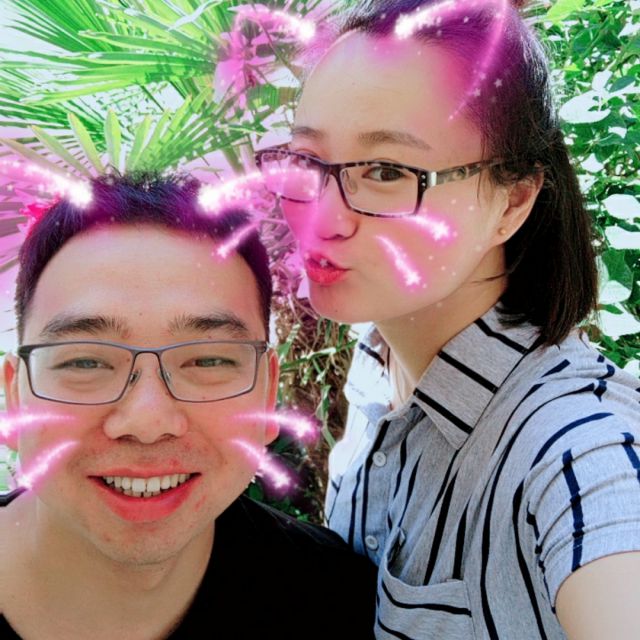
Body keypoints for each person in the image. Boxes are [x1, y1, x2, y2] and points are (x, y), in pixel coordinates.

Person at [254, 0, 640, 638]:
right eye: (307, 160)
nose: (321, 220)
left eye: (386, 172)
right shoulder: (376, 367)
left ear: (512, 201)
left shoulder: (577, 447)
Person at [0, 173, 377, 639]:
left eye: (208, 360)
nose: (148, 422)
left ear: (267, 394)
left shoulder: (337, 603)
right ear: (15, 399)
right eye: (86, 362)